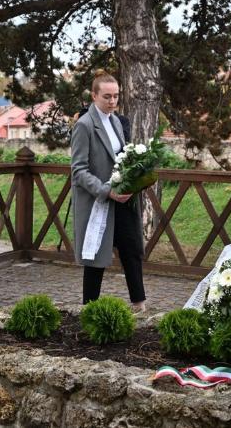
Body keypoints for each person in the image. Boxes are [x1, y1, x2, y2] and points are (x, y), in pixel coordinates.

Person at [71, 71, 146, 313]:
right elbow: (78, 171)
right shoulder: (83, 126)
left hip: (122, 199)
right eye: (107, 97)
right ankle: (89, 310)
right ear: (93, 96)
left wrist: (134, 179)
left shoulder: (116, 120)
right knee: (95, 257)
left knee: (132, 249)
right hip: (99, 201)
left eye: (116, 96)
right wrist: (106, 191)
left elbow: (122, 158)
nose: (112, 101)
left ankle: (139, 306)